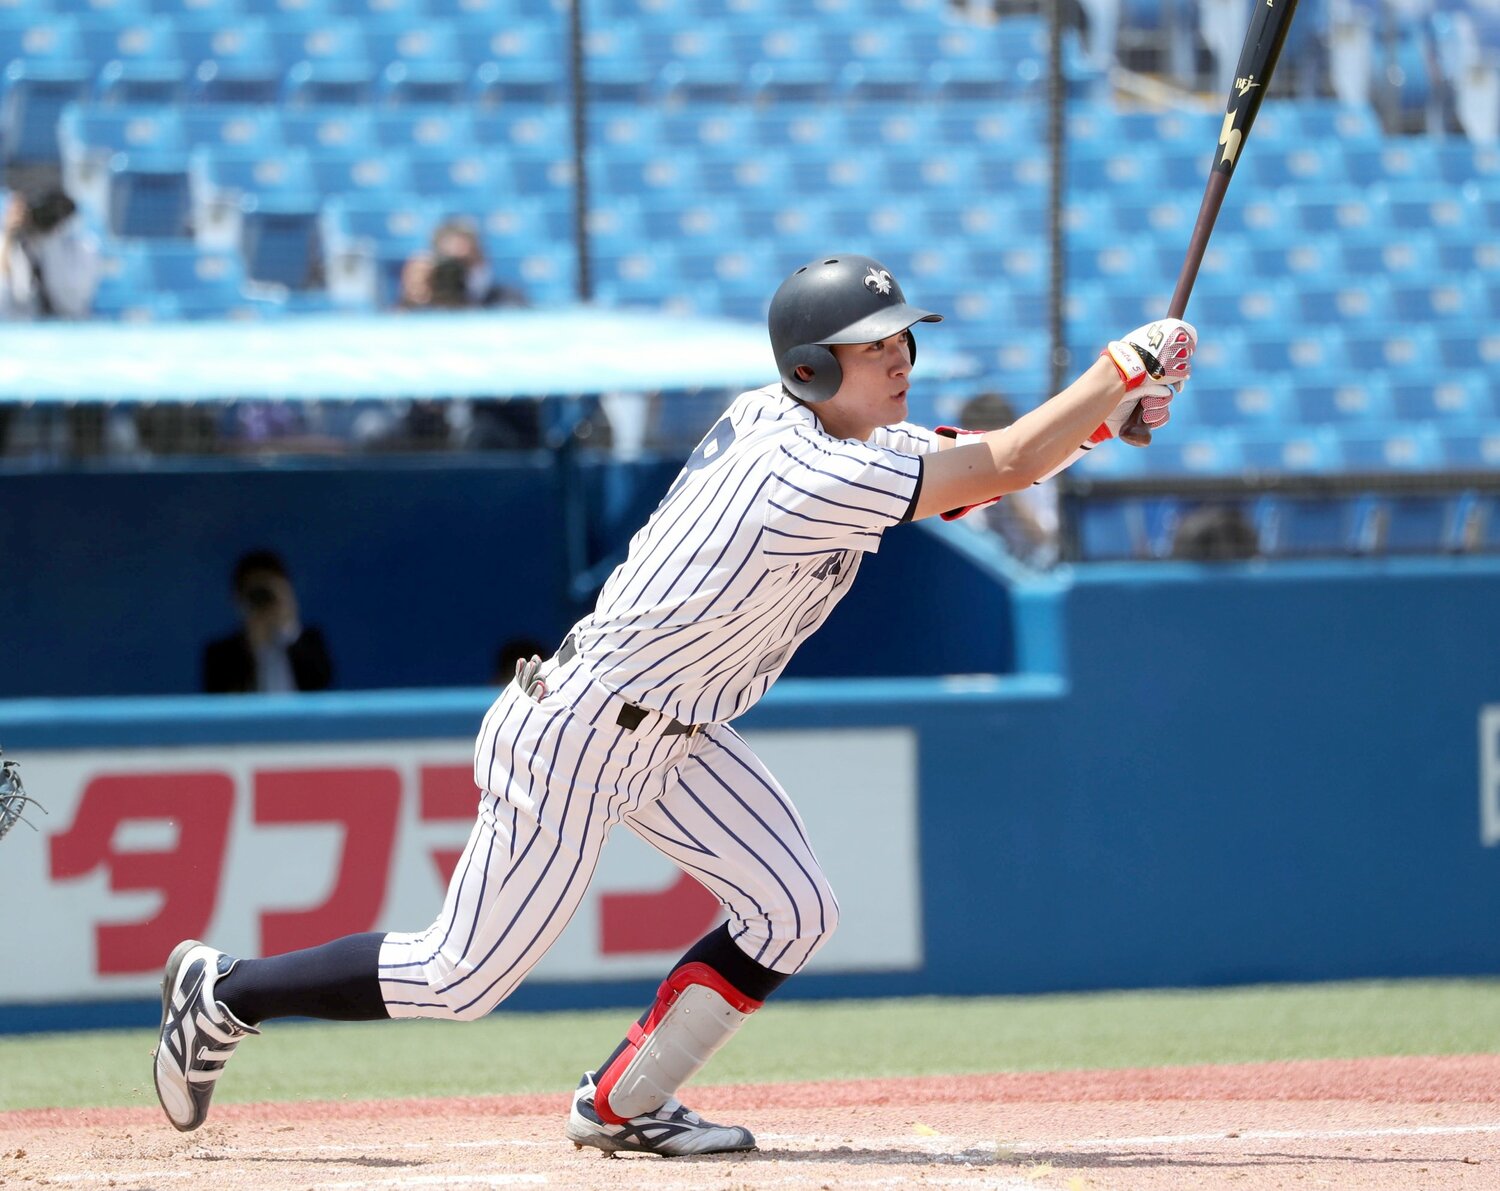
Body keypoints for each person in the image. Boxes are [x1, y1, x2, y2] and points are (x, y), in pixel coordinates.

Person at [152, 254, 1195, 1155]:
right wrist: (1118, 373)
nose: (899, 359)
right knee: (459, 977)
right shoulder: (798, 473)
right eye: (873, 345)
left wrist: (1101, 424)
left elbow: (975, 467)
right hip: (579, 732)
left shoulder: (818, 430)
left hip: (677, 734)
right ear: (811, 367)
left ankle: (624, 1102)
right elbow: (1003, 460)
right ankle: (226, 992)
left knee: (792, 911)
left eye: (902, 340)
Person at [953, 390, 1063, 568]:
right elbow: (967, 540)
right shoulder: (960, 482)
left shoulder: (1038, 473)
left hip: (1038, 569)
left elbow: (1045, 537)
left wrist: (1008, 488)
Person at [201, 549, 334, 694]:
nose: (262, 599)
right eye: (254, 594)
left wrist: (288, 628)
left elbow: (322, 681)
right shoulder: (219, 653)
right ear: (239, 599)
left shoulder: (310, 639)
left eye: (268, 591)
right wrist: (254, 647)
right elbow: (221, 696)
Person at [0, 186, 101, 322]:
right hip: (20, 326)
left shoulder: (83, 247)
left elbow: (71, 304)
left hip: (68, 326)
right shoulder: (10, 245)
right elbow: (4, 301)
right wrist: (9, 237)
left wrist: (50, 243)